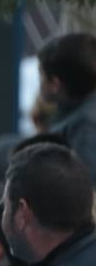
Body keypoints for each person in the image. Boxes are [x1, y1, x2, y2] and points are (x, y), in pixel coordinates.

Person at [38, 32, 96, 182]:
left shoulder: (86, 126)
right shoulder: (79, 114)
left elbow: (86, 191)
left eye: (41, 75)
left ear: (54, 84)